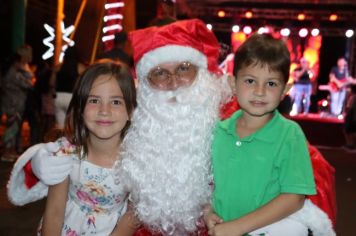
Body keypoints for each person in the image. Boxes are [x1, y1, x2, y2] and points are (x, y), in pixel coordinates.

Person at [7, 19, 336, 236]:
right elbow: (87, 141)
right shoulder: (138, 121)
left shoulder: (230, 115)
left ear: (202, 74)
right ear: (145, 85)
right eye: (159, 74)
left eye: (184, 68)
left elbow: (310, 174)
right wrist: (39, 160)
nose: (175, 81)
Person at [203, 33, 335, 236]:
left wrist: (238, 227)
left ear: (285, 90)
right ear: (232, 84)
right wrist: (208, 211)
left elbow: (295, 197)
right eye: (250, 81)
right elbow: (210, 185)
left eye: (271, 84)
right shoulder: (218, 131)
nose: (260, 91)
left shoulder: (289, 134)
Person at [36, 60, 138, 235]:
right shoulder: (65, 153)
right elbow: (54, 211)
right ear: (80, 108)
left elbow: (133, 215)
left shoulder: (139, 160)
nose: (104, 110)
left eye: (115, 102)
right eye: (94, 100)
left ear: (130, 111)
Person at [0, 46, 34, 162]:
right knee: (12, 127)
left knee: (13, 127)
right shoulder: (13, 73)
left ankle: (10, 151)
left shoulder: (10, 71)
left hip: (12, 102)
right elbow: (28, 84)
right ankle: (6, 153)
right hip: (14, 104)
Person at [55, 46, 86, 129]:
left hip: (58, 96)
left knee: (60, 126)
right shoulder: (80, 67)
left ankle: (60, 141)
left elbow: (51, 82)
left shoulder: (58, 67)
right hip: (71, 97)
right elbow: (83, 84)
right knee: (72, 125)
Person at [343, 85, 356, 150]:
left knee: (347, 131)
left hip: (351, 117)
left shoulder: (352, 98)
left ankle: (350, 144)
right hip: (353, 117)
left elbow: (349, 108)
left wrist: (346, 116)